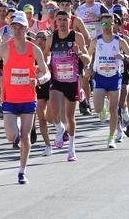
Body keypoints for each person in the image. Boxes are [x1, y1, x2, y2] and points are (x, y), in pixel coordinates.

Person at [0, 12, 51, 184]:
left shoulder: (34, 49)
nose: (17, 31)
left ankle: (22, 171)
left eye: (20, 28)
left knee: (25, 137)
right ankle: (16, 135)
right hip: (10, 99)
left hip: (29, 99)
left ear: (26, 29)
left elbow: (46, 73)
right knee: (11, 136)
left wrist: (38, 80)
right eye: (14, 27)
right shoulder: (5, 47)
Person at [88, 12, 129, 147]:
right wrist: (88, 67)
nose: (106, 26)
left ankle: (111, 137)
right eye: (103, 23)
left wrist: (123, 56)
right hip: (100, 77)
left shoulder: (119, 41)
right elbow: (88, 56)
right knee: (98, 110)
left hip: (115, 77)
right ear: (100, 24)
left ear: (113, 24)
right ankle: (102, 106)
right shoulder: (96, 41)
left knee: (114, 109)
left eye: (109, 23)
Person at [45, 10, 89, 161]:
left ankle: (71, 149)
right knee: (53, 111)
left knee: (70, 116)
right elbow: (45, 56)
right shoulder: (51, 38)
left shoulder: (77, 36)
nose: (62, 22)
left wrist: (80, 54)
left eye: (65, 19)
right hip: (57, 80)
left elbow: (88, 58)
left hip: (72, 81)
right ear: (56, 21)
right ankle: (59, 128)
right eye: (60, 19)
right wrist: (44, 67)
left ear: (70, 21)